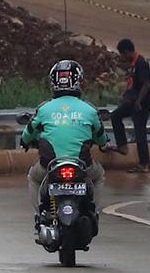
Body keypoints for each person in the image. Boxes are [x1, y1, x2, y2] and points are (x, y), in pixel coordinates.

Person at [20, 60, 109, 214]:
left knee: (34, 178)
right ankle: (93, 211)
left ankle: (39, 215)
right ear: (79, 81)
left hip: (50, 166)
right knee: (99, 175)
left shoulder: (44, 109)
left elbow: (28, 132)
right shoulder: (90, 110)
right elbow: (101, 137)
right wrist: (102, 144)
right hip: (82, 165)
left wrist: (25, 142)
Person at [108, 38, 150, 173]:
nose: (122, 57)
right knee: (116, 116)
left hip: (142, 103)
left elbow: (146, 84)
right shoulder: (134, 64)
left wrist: (139, 102)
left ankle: (144, 164)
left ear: (127, 51)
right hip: (134, 102)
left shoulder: (141, 62)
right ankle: (122, 146)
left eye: (122, 54)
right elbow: (134, 84)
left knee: (140, 131)